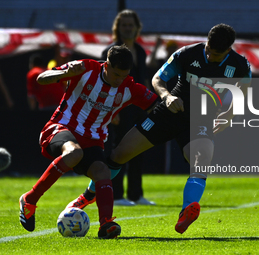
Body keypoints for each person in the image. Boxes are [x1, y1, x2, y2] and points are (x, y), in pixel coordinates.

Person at [68, 23, 251, 233]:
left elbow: (243, 91)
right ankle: (87, 196)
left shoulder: (240, 65)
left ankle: (186, 212)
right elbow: (158, 79)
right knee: (119, 155)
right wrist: (167, 96)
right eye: (208, 49)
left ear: (228, 50)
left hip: (200, 120)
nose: (209, 55)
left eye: (216, 54)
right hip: (169, 112)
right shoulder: (187, 53)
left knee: (202, 163)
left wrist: (229, 115)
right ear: (206, 41)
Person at [18, 45, 158, 239]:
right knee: (74, 153)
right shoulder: (85, 68)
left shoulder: (129, 87)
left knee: (102, 171)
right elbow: (41, 79)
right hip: (61, 127)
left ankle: (106, 224)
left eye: (123, 75)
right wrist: (64, 73)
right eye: (116, 74)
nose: (119, 80)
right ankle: (30, 199)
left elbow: (156, 106)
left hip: (93, 139)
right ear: (106, 65)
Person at [100, 9, 154, 206]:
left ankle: (136, 195)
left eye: (131, 25)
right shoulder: (110, 52)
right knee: (118, 151)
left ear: (137, 27)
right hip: (118, 109)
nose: (128, 28)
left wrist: (150, 106)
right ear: (118, 28)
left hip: (138, 108)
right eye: (124, 25)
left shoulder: (140, 50)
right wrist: (109, 111)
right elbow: (104, 85)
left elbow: (143, 80)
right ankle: (117, 195)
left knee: (138, 148)